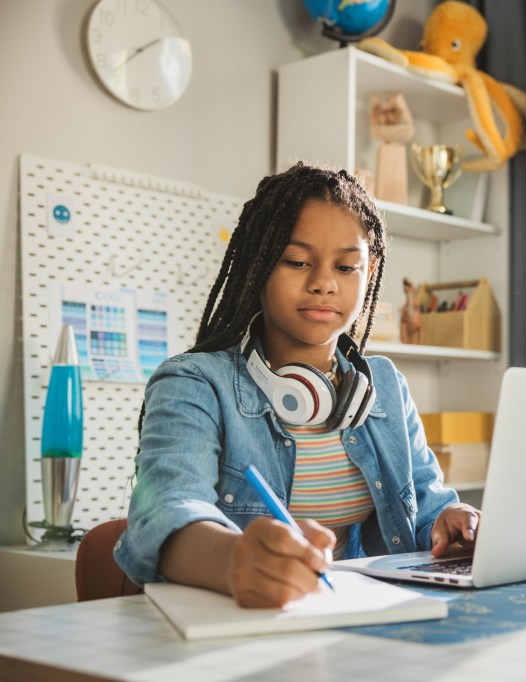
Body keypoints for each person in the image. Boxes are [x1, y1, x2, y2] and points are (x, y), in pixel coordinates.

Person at [114, 162, 479, 608]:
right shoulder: (193, 383)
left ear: (371, 270)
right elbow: (167, 511)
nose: (324, 283)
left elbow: (424, 506)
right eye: (297, 261)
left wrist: (452, 522)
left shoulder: (384, 384)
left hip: (355, 615)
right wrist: (234, 560)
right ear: (259, 262)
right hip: (237, 620)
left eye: (347, 267)